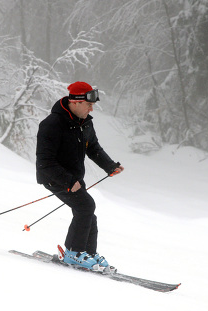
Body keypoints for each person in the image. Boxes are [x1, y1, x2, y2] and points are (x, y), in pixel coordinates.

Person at [36, 81, 124, 271]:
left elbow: (93, 147)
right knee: (86, 206)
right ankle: (74, 253)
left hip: (74, 179)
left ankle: (87, 253)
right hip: (55, 177)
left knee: (88, 212)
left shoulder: (85, 123)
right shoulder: (51, 124)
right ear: (75, 102)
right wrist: (68, 180)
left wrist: (110, 166)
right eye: (89, 105)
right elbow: (44, 162)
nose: (92, 109)